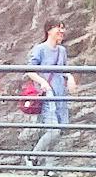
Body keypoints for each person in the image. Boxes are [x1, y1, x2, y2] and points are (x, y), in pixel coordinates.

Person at [22, 18, 74, 165]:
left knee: (59, 131)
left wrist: (69, 77)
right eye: (59, 28)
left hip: (60, 96)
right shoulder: (40, 49)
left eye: (63, 28)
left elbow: (64, 70)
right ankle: (32, 157)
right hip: (47, 97)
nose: (62, 31)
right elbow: (30, 70)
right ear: (49, 30)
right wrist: (42, 82)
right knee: (53, 131)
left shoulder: (62, 51)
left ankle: (49, 168)